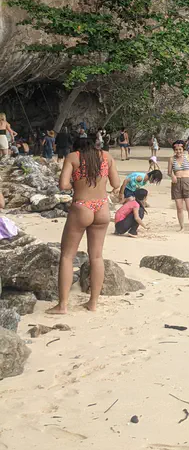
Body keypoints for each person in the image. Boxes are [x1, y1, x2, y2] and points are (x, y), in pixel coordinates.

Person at [47, 131, 121, 314]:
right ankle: (93, 303)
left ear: (76, 147)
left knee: (67, 256)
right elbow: (116, 183)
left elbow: (63, 185)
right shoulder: (107, 157)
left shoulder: (73, 157)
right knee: (96, 256)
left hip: (82, 206)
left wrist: (77, 184)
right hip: (102, 207)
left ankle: (63, 305)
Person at [168, 140, 189, 233]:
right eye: (176, 150)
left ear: (183, 149)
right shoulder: (171, 159)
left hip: (187, 182)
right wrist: (172, 176)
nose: (178, 151)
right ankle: (181, 227)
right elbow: (169, 172)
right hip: (176, 183)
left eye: (180, 149)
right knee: (179, 207)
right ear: (174, 150)